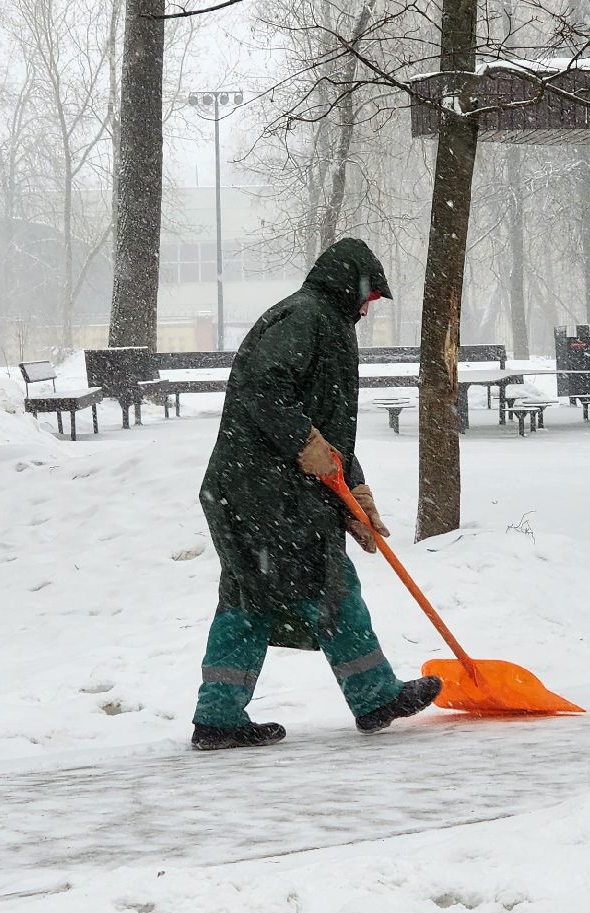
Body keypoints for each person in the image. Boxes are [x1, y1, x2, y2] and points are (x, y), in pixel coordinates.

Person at [189, 238, 441, 751]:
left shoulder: (320, 319)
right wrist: (304, 444)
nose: (370, 308)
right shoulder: (307, 318)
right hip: (265, 492)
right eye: (371, 297)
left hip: (262, 489)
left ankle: (219, 715)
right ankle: (372, 696)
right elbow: (265, 390)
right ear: (354, 286)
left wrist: (355, 489)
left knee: (253, 595)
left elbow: (325, 425)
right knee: (323, 586)